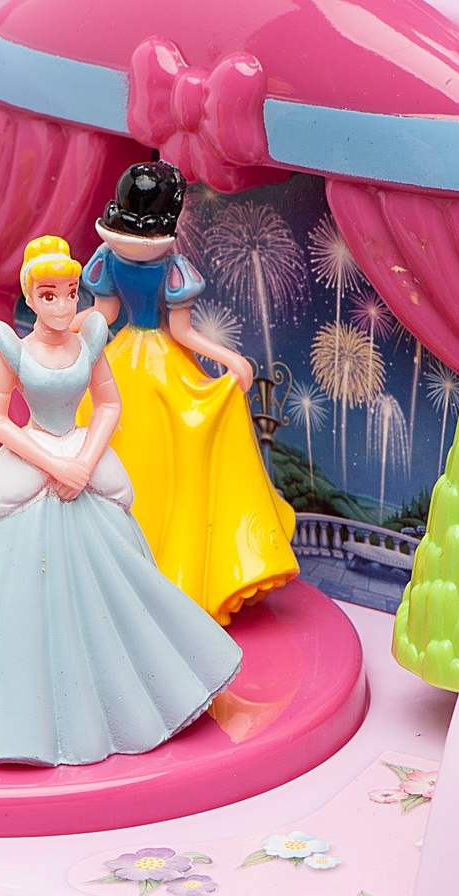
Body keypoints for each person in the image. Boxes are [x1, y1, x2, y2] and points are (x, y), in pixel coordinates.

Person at [0, 235, 242, 766]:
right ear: (31, 297)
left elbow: (108, 405)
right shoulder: (15, 350)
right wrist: (54, 464)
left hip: (81, 455)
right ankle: (10, 712)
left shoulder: (89, 343)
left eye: (72, 292)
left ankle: (131, 696)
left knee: (123, 578)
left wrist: (85, 459)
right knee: (4, 592)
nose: (62, 305)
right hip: (36, 457)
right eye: (50, 295)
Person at [78, 161, 298, 625]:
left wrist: (230, 360)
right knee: (125, 446)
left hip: (139, 360)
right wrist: (56, 332)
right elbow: (115, 317)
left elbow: (138, 323)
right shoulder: (123, 262)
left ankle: (161, 566)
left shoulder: (151, 266)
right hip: (136, 362)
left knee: (169, 450)